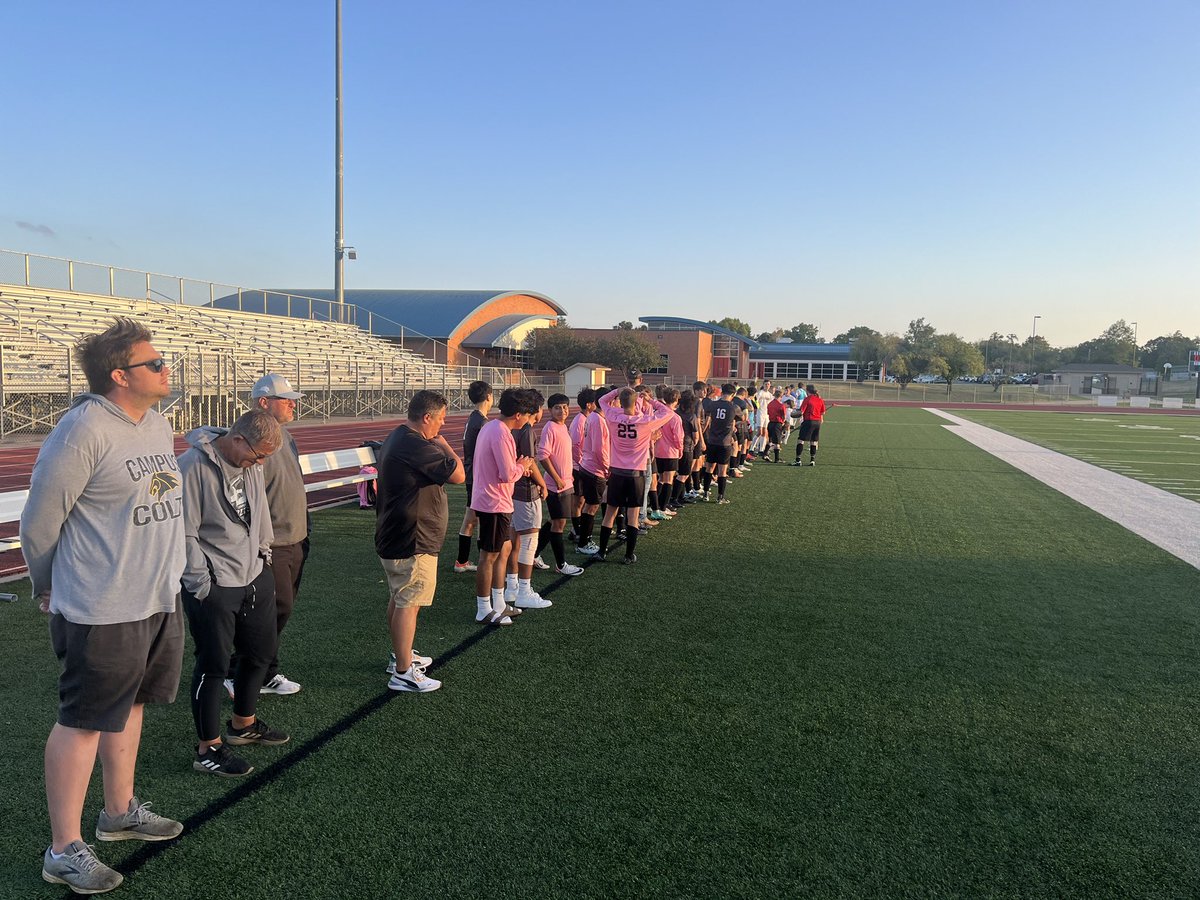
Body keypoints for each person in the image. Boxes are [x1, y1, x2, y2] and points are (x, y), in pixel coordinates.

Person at [23, 318, 186, 894]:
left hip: (157, 598)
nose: (167, 369)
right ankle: (63, 848)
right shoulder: (82, 430)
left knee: (133, 705)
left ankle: (118, 811)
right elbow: (39, 524)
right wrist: (49, 586)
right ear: (120, 375)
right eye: (155, 363)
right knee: (83, 721)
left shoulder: (158, 424)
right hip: (101, 604)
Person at [180, 410, 288, 778]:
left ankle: (243, 724)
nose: (259, 463)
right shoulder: (191, 467)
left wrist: (264, 552)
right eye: (258, 455)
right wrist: (200, 582)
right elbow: (184, 532)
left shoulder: (252, 465)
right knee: (212, 665)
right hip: (213, 583)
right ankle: (207, 748)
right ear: (238, 438)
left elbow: (259, 511)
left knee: (260, 654)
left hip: (254, 574)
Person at [223, 373, 308, 699]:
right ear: (263, 402)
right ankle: (239, 671)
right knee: (274, 609)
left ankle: (265, 671)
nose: (292, 404)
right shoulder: (248, 441)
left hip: (295, 537)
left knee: (280, 610)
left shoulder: (284, 436)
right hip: (272, 543)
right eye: (285, 399)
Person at [375, 390, 465, 691]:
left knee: (401, 597)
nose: (441, 426)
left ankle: (399, 657)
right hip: (412, 536)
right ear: (426, 417)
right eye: (439, 420)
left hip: (399, 532)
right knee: (409, 600)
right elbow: (458, 475)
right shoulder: (416, 443)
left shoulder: (398, 436)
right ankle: (402, 671)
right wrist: (445, 446)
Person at [471, 388, 537, 625]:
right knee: (488, 556)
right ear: (518, 414)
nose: (529, 419)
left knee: (498, 551)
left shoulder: (491, 427)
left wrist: (517, 465)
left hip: (492, 500)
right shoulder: (501, 433)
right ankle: (483, 609)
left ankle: (497, 603)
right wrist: (522, 465)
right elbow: (508, 473)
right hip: (493, 502)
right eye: (528, 415)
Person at [594, 386, 677, 563]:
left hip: (616, 474)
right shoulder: (645, 421)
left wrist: (616, 391)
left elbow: (602, 401)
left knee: (610, 514)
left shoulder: (613, 417)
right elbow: (668, 412)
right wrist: (650, 400)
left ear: (620, 402)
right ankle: (628, 555)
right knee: (632, 516)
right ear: (636, 402)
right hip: (635, 475)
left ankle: (602, 551)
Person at [506, 393, 552, 609]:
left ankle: (512, 586)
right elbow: (529, 464)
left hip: (511, 492)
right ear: (537, 411)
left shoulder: (512, 429)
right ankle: (524, 590)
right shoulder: (527, 430)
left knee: (514, 541)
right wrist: (542, 483)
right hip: (525, 492)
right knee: (529, 541)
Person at [537, 393, 585, 576]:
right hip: (556, 485)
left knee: (555, 522)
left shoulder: (563, 427)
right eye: (557, 407)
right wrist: (556, 478)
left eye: (565, 407)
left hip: (566, 483)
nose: (562, 410)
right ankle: (561, 564)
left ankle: (534, 554)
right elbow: (542, 455)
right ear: (550, 410)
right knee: (559, 524)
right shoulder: (550, 428)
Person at [454, 380, 492, 574]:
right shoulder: (482, 422)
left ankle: (465, 560)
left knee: (473, 517)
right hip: (477, 475)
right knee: (474, 517)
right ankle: (464, 561)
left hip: (472, 474)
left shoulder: (474, 418)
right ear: (488, 396)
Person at [575, 386, 610, 555]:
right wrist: (607, 467)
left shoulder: (594, 418)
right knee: (592, 506)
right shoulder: (598, 420)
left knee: (589, 505)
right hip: (594, 468)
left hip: (589, 466)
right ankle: (583, 542)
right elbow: (599, 449)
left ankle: (584, 538)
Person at [702, 383, 738, 504]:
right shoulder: (733, 407)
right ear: (732, 394)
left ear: (722, 392)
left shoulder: (713, 404)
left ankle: (706, 493)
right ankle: (720, 497)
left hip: (712, 440)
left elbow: (708, 415)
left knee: (709, 468)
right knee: (722, 471)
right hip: (725, 442)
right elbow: (741, 417)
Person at [793, 383, 827, 466]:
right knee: (814, 441)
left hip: (809, 421)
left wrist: (793, 414)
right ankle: (812, 460)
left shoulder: (807, 399)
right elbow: (823, 412)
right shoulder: (820, 400)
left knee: (801, 440)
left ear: (807, 391)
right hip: (817, 422)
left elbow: (801, 412)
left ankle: (798, 460)